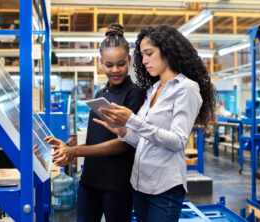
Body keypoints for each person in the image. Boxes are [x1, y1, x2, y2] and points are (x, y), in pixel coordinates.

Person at [91, 25, 217, 222]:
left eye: (149, 53)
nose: (144, 61)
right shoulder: (153, 90)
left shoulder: (186, 89)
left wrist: (132, 120)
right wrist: (121, 129)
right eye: (141, 55)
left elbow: (178, 141)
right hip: (140, 185)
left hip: (164, 188)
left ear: (166, 50)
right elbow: (139, 138)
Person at [45, 23, 144, 222]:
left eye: (121, 64)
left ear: (130, 61)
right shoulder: (101, 94)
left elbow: (124, 143)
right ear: (100, 63)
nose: (115, 70)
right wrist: (69, 147)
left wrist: (75, 152)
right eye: (109, 65)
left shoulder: (134, 95)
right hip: (90, 179)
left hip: (116, 184)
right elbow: (95, 139)